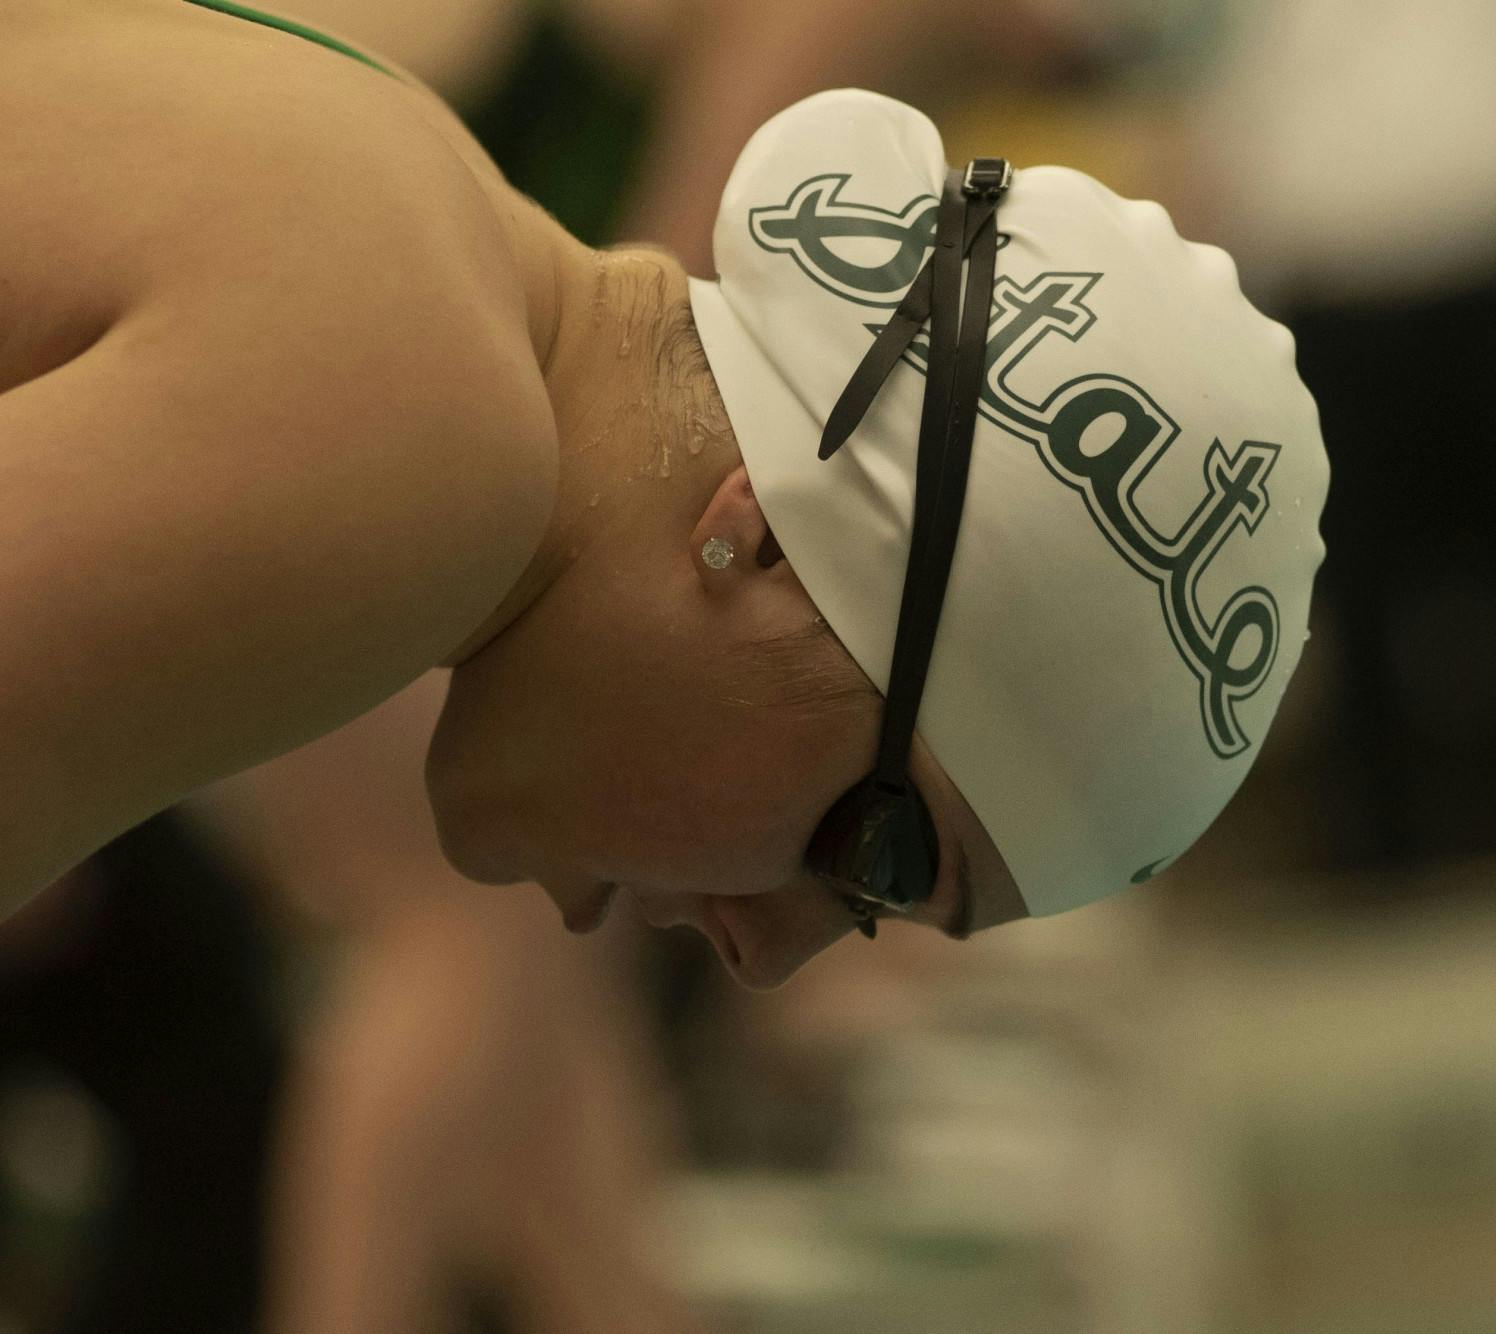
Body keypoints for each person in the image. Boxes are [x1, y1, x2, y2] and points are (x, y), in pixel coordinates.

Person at [0, 0, 1327, 990]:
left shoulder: (412, 201)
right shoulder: (433, 425)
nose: (766, 955)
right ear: (757, 536)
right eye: (877, 863)